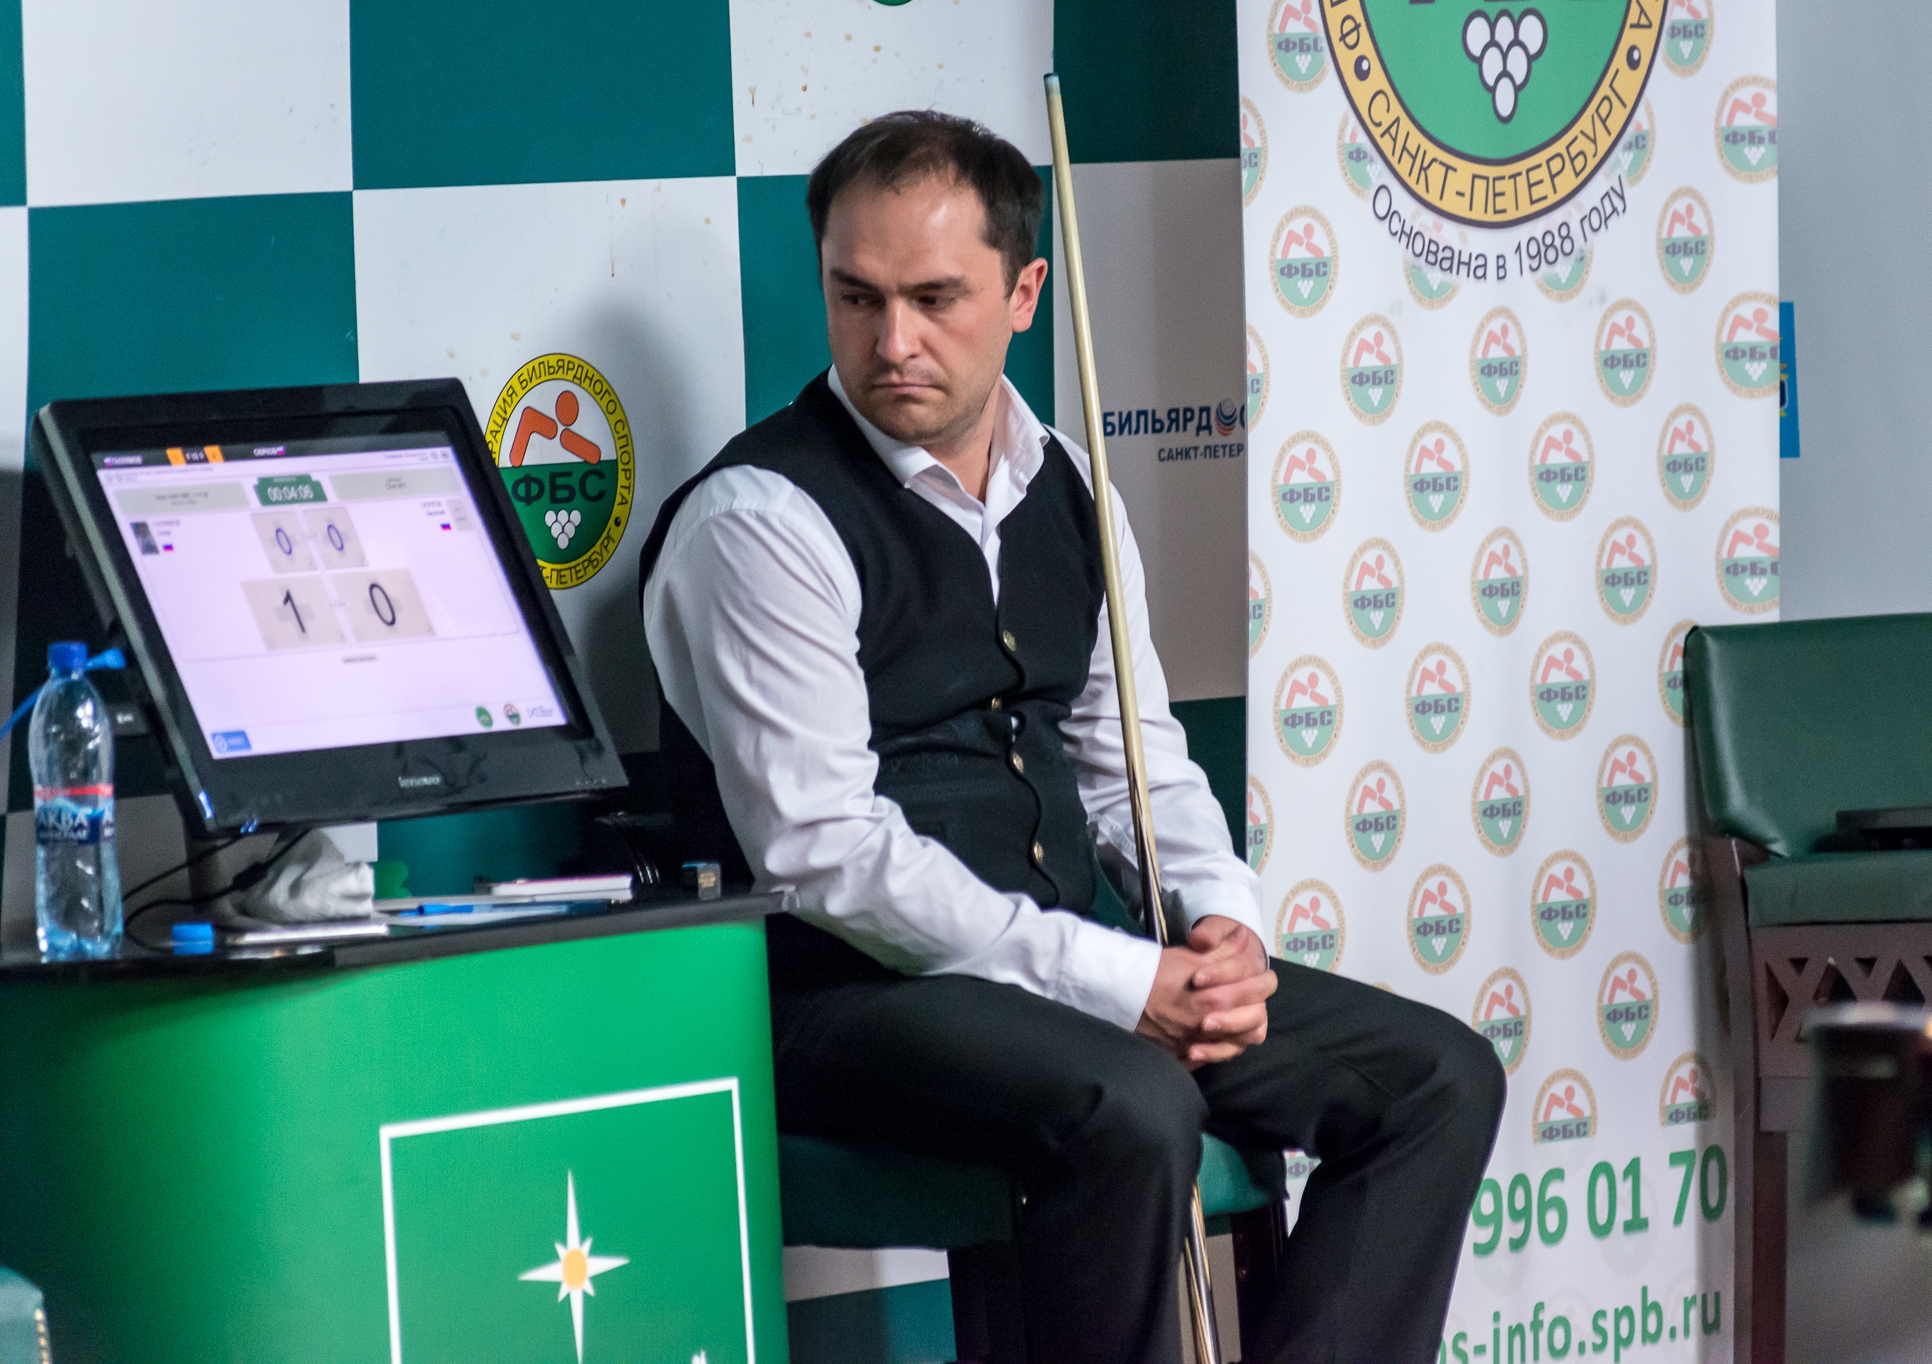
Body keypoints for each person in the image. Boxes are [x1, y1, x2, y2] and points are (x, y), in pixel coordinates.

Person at [641, 110, 1505, 1362]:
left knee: (1437, 1079)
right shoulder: (759, 519)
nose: (893, 341)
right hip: (840, 997)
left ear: (1025, 292)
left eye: (935, 299)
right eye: (857, 297)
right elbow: (824, 854)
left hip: (1069, 974)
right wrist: (1120, 984)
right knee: (1133, 1103)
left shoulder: (1072, 485)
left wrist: (1221, 927)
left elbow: (1131, 758)